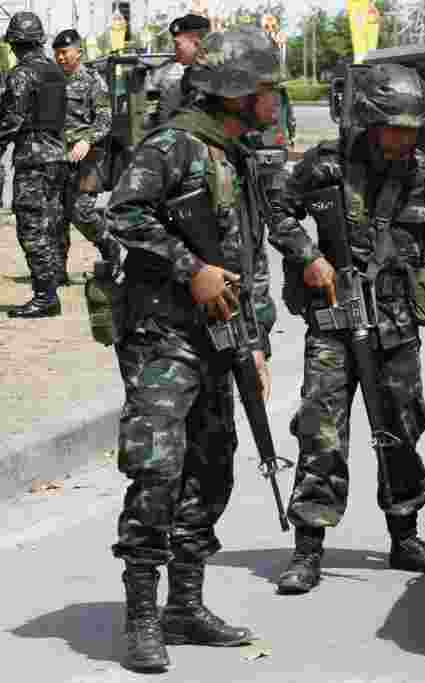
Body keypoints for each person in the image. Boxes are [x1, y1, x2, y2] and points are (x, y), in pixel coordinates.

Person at [105, 24, 289, 672]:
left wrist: (257, 341)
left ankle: (184, 604)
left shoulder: (239, 153)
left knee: (212, 469)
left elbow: (249, 251)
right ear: (235, 92)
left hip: (219, 341)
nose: (275, 99)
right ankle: (142, 616)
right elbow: (122, 212)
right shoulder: (175, 144)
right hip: (163, 336)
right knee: (158, 468)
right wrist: (190, 267)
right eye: (266, 88)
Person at [270, 63, 425, 594]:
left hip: (396, 325)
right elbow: (278, 212)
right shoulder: (326, 167)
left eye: (411, 129)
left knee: (401, 429)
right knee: (322, 431)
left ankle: (404, 536)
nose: (405, 138)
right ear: (369, 121)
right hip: (335, 323)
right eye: (395, 128)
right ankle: (309, 547)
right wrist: (309, 256)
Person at [1, 12, 67, 318]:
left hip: (33, 159)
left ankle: (45, 297)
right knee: (49, 224)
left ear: (15, 43)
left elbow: (11, 120)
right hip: (56, 155)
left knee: (31, 228)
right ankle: (50, 289)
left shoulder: (22, 74)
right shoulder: (54, 71)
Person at [52, 28, 123, 286]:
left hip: (88, 155)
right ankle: (57, 271)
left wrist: (86, 140)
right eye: (57, 54)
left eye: (64, 53)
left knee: (81, 211)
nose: (60, 58)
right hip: (58, 156)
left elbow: (105, 119)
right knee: (57, 214)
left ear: (78, 53)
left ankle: (109, 246)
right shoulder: (52, 81)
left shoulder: (93, 81)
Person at [145, 13, 210, 128]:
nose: (175, 51)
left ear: (197, 43)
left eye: (177, 44)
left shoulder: (215, 78)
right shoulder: (187, 78)